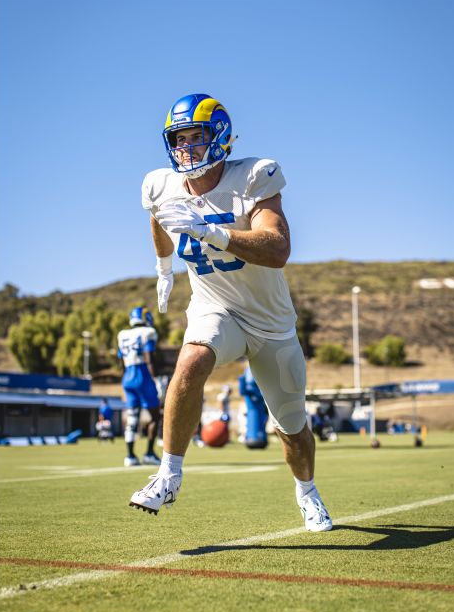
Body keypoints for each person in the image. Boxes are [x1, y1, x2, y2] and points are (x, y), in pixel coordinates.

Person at [128, 93, 331, 531]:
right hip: (215, 307)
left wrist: (210, 232)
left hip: (270, 322)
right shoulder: (159, 184)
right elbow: (158, 218)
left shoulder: (254, 176)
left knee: (292, 428)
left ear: (219, 137)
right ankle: (168, 473)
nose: (185, 149)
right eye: (178, 140)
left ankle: (308, 492)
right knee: (192, 359)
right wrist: (163, 269)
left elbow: (278, 249)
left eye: (195, 138)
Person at [117, 307, 163, 467]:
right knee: (156, 416)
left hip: (127, 377)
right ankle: (149, 453)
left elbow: (120, 361)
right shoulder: (147, 332)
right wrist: (155, 378)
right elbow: (149, 357)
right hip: (142, 375)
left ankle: (129, 456)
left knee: (132, 418)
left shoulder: (122, 335)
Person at [238, 362, 269, 449]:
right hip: (255, 407)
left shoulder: (257, 390)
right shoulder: (252, 390)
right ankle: (254, 436)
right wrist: (242, 381)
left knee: (259, 418)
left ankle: (256, 436)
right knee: (255, 416)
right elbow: (243, 391)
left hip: (259, 408)